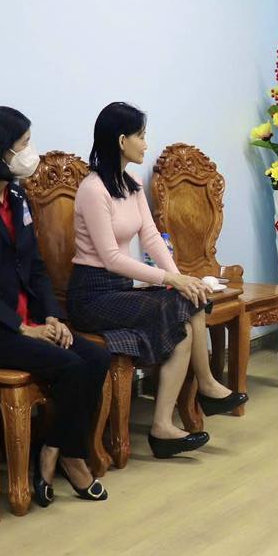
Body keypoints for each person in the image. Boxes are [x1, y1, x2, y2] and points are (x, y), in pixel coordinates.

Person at [0, 106, 111, 505]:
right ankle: (70, 459)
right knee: (71, 366)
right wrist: (21, 327)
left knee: (97, 358)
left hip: (31, 320)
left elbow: (35, 266)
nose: (30, 153)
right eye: (24, 144)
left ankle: (55, 447)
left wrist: (52, 315)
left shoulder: (17, 197)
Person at [67, 102, 245, 459]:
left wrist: (181, 278)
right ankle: (204, 388)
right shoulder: (93, 189)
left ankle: (165, 425)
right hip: (92, 295)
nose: (146, 144)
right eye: (141, 136)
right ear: (122, 141)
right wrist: (171, 279)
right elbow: (111, 258)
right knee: (181, 303)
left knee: (189, 306)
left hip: (120, 289)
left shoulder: (130, 184)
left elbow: (150, 236)